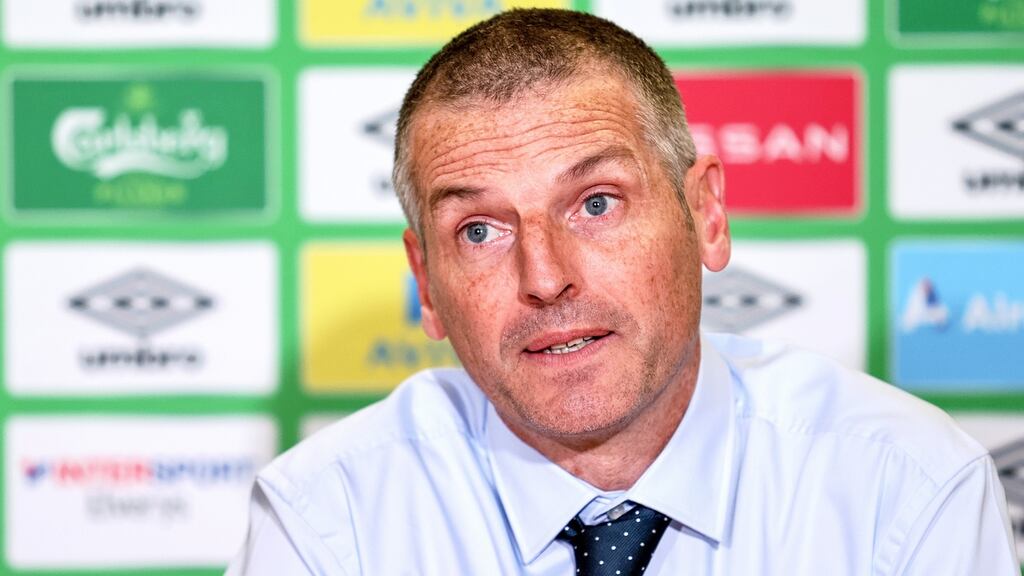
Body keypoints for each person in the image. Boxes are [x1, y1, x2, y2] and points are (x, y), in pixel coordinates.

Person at [227, 9, 1018, 575]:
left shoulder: (905, 491)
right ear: (427, 282)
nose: (545, 277)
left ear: (705, 214)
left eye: (596, 204)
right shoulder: (328, 524)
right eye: (480, 230)